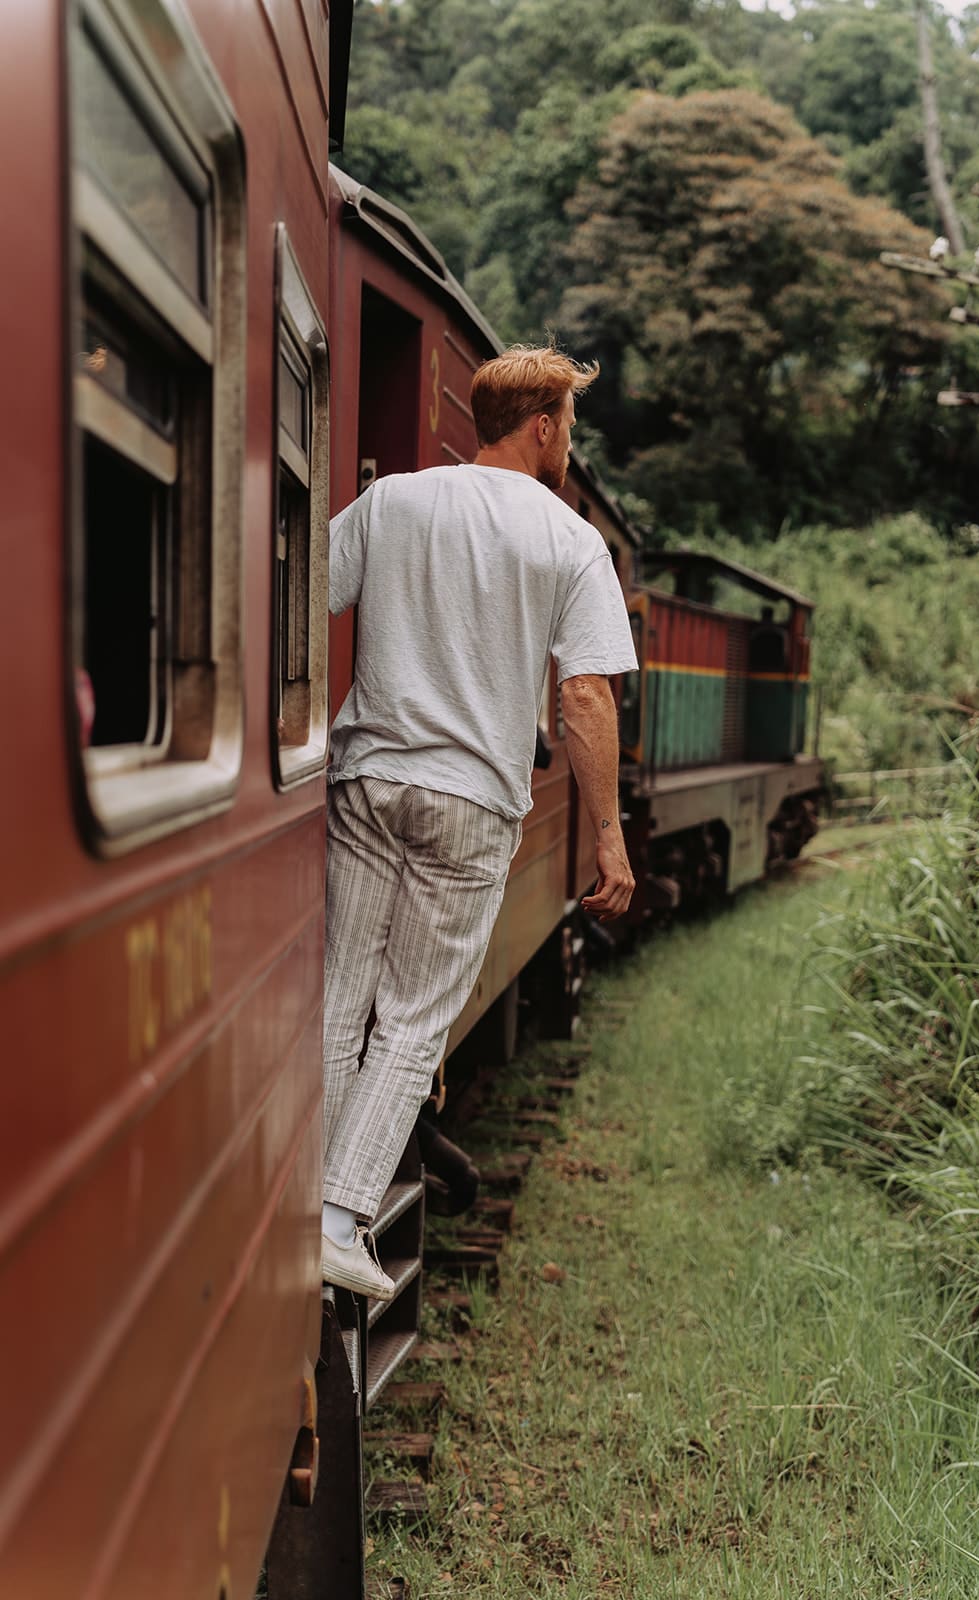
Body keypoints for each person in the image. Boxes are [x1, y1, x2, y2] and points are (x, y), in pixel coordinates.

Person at [321, 344, 638, 1298]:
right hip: (468, 803)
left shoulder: (393, 503)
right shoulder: (568, 539)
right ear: (542, 426)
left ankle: (298, 1199)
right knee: (415, 1018)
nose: (568, 444)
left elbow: (302, 600)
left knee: (343, 995)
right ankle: (337, 1221)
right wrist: (608, 838)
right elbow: (583, 696)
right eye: (568, 427)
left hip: (368, 778)